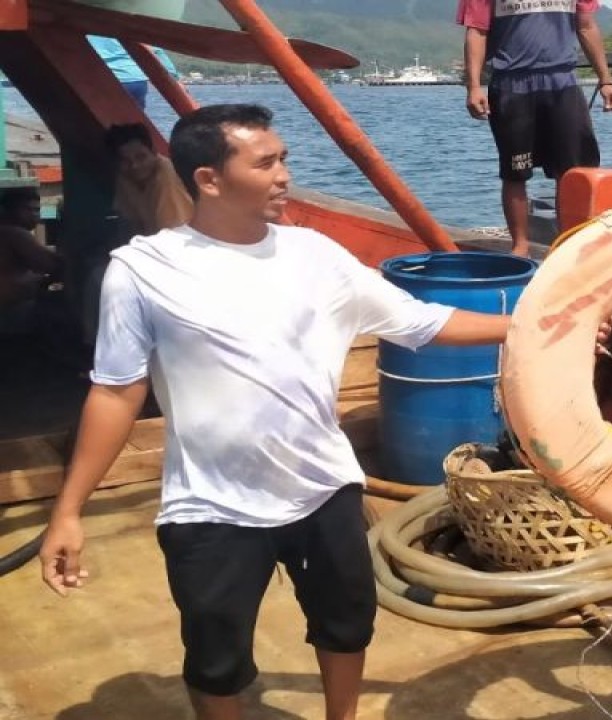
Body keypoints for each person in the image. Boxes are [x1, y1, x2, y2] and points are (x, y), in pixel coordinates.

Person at [38, 103, 513, 720]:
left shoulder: (316, 255)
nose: (284, 175)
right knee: (216, 658)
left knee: (346, 625)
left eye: (284, 158)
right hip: (210, 504)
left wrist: (531, 324)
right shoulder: (142, 270)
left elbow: (423, 322)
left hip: (322, 488)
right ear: (209, 179)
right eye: (265, 163)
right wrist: (68, 512)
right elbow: (114, 391)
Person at [457, 0, 612, 257]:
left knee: (573, 171)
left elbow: (586, 26)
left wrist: (606, 79)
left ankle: (570, 248)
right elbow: (477, 31)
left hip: (563, 82)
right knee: (515, 171)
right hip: (512, 84)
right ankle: (520, 247)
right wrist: (474, 86)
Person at [105, 123, 194, 237]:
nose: (134, 166)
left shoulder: (166, 175)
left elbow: (173, 233)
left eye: (141, 157)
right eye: (125, 161)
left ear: (153, 152)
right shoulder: (124, 177)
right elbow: (130, 222)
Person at [0, 186, 61, 327]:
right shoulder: (14, 233)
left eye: (37, 210)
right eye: (28, 210)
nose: (34, 215)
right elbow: (53, 265)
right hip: (9, 312)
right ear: (9, 210)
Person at [88, 36, 180, 110]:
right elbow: (155, 51)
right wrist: (174, 77)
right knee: (136, 118)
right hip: (135, 79)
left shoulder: (88, 25)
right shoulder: (127, 25)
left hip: (104, 79)